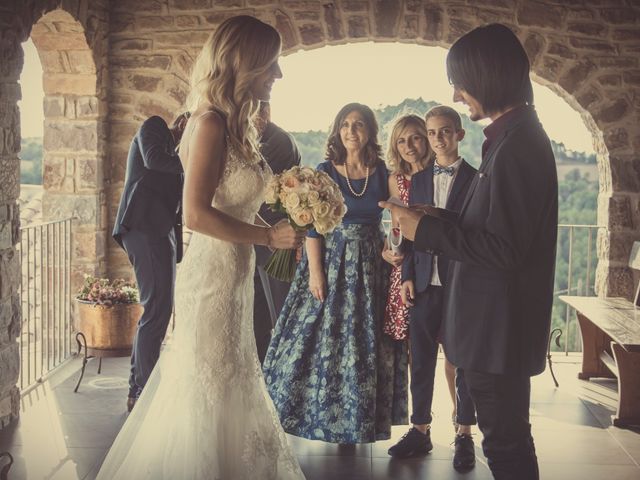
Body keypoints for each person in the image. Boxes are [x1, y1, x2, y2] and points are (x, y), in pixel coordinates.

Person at [97, 15, 306, 479]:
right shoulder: (209, 122)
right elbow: (195, 215)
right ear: (244, 63)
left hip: (235, 276)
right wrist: (269, 237)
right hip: (211, 280)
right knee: (207, 391)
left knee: (234, 383)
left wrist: (284, 224)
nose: (278, 74)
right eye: (272, 63)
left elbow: (236, 203)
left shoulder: (239, 125)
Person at [381, 24, 557, 480]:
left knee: (505, 447)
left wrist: (426, 232)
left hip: (497, 330)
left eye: (460, 82)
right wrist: (435, 217)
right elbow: (494, 226)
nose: (458, 95)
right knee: (508, 441)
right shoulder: (509, 138)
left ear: (487, 75)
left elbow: (504, 250)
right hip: (492, 327)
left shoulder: (518, 146)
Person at [263, 103, 408, 444]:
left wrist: (395, 246)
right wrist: (316, 273)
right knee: (323, 340)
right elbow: (312, 227)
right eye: (345, 124)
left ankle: (358, 421)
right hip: (330, 262)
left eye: (358, 124)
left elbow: (400, 215)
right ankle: (314, 415)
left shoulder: (382, 172)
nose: (351, 130)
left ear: (370, 131)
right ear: (337, 130)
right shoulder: (324, 171)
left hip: (372, 266)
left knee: (364, 343)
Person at [387, 106, 477, 473]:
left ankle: (465, 433)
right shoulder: (420, 179)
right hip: (423, 282)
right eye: (433, 132)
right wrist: (408, 273)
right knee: (420, 360)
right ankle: (420, 429)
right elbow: (408, 231)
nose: (438, 139)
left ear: (459, 135)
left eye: (445, 132)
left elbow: (477, 232)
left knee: (463, 363)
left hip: (461, 285)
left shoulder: (476, 178)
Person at [112, 111, 189, 412]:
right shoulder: (154, 126)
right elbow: (154, 160)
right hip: (143, 228)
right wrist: (198, 158)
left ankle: (138, 386)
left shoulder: (178, 156)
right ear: (183, 123)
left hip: (161, 232)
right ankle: (142, 390)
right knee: (156, 310)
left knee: (160, 310)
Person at [253, 101, 302, 364]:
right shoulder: (251, 139)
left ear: (266, 112)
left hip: (277, 243)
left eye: (256, 112)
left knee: (281, 316)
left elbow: (260, 192)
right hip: (254, 242)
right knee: (257, 319)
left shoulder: (279, 141)